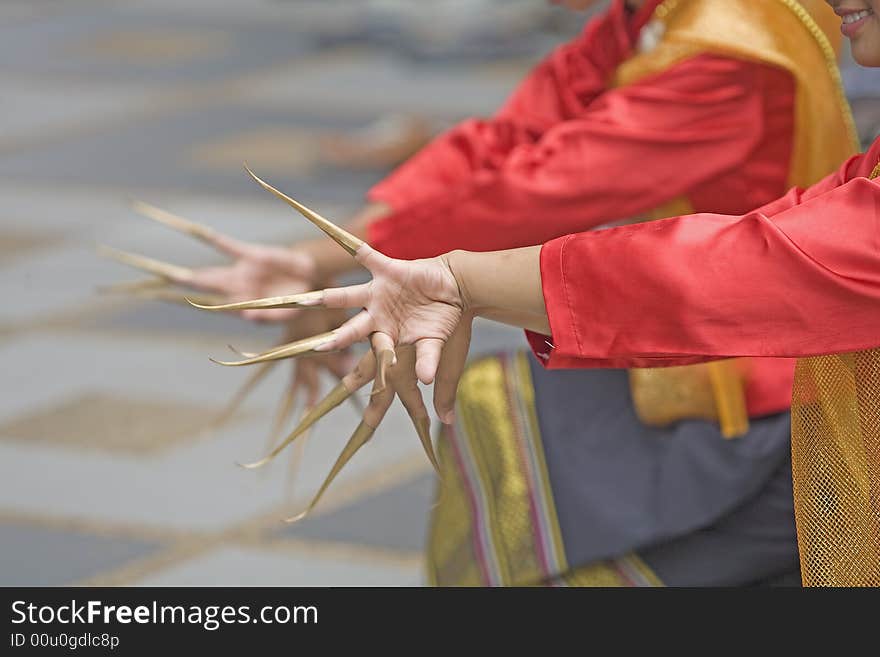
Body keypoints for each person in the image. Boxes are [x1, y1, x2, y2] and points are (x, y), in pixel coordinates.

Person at [111, 0, 854, 585]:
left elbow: (565, 192)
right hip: (685, 354)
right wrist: (333, 252)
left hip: (775, 400)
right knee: (495, 454)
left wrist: (447, 279)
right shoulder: (654, 15)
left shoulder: (731, 46)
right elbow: (513, 141)